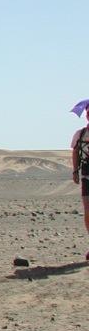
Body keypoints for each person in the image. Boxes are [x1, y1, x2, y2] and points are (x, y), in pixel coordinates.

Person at [71, 99, 89, 254]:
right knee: (88, 210)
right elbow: (75, 152)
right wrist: (75, 170)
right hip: (86, 174)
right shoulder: (80, 134)